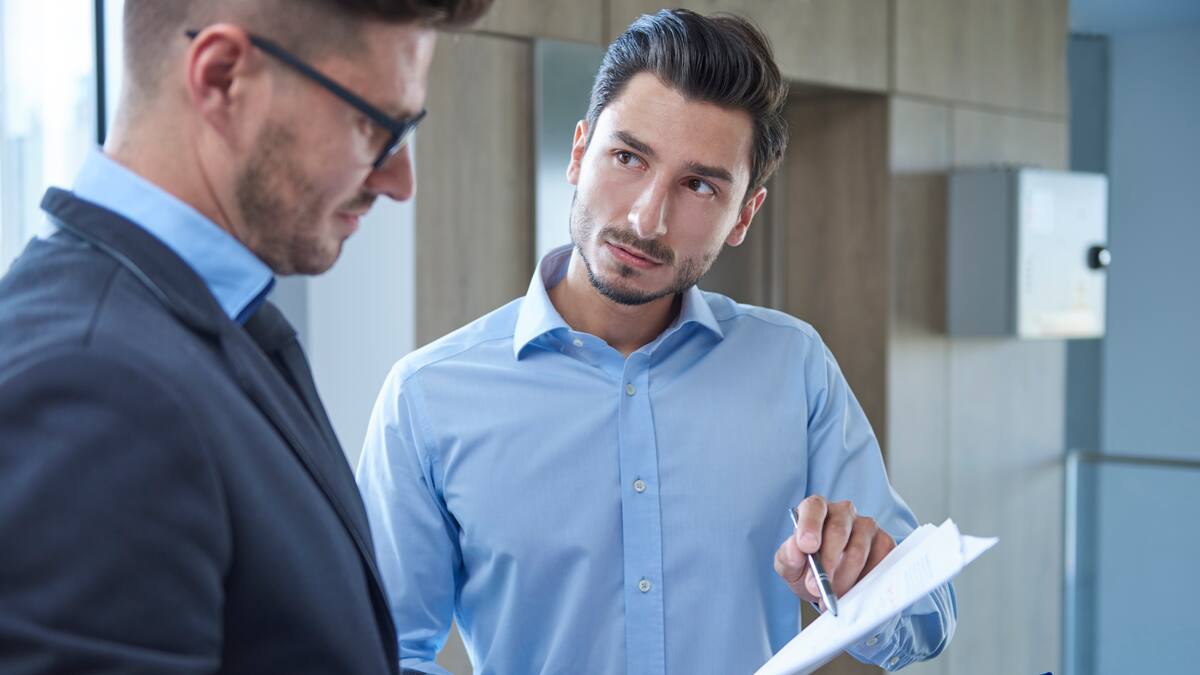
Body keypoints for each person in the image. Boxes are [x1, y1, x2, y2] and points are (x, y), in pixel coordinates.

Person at [357, 8, 956, 675]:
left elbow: (927, 620)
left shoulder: (795, 366)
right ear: (579, 153)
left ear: (744, 214)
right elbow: (379, 652)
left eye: (699, 185)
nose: (647, 219)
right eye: (628, 157)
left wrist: (865, 584)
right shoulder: (427, 397)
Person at [0, 0, 491, 673]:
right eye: (374, 125)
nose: (399, 181)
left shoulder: (210, 324)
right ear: (223, 77)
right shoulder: (95, 387)